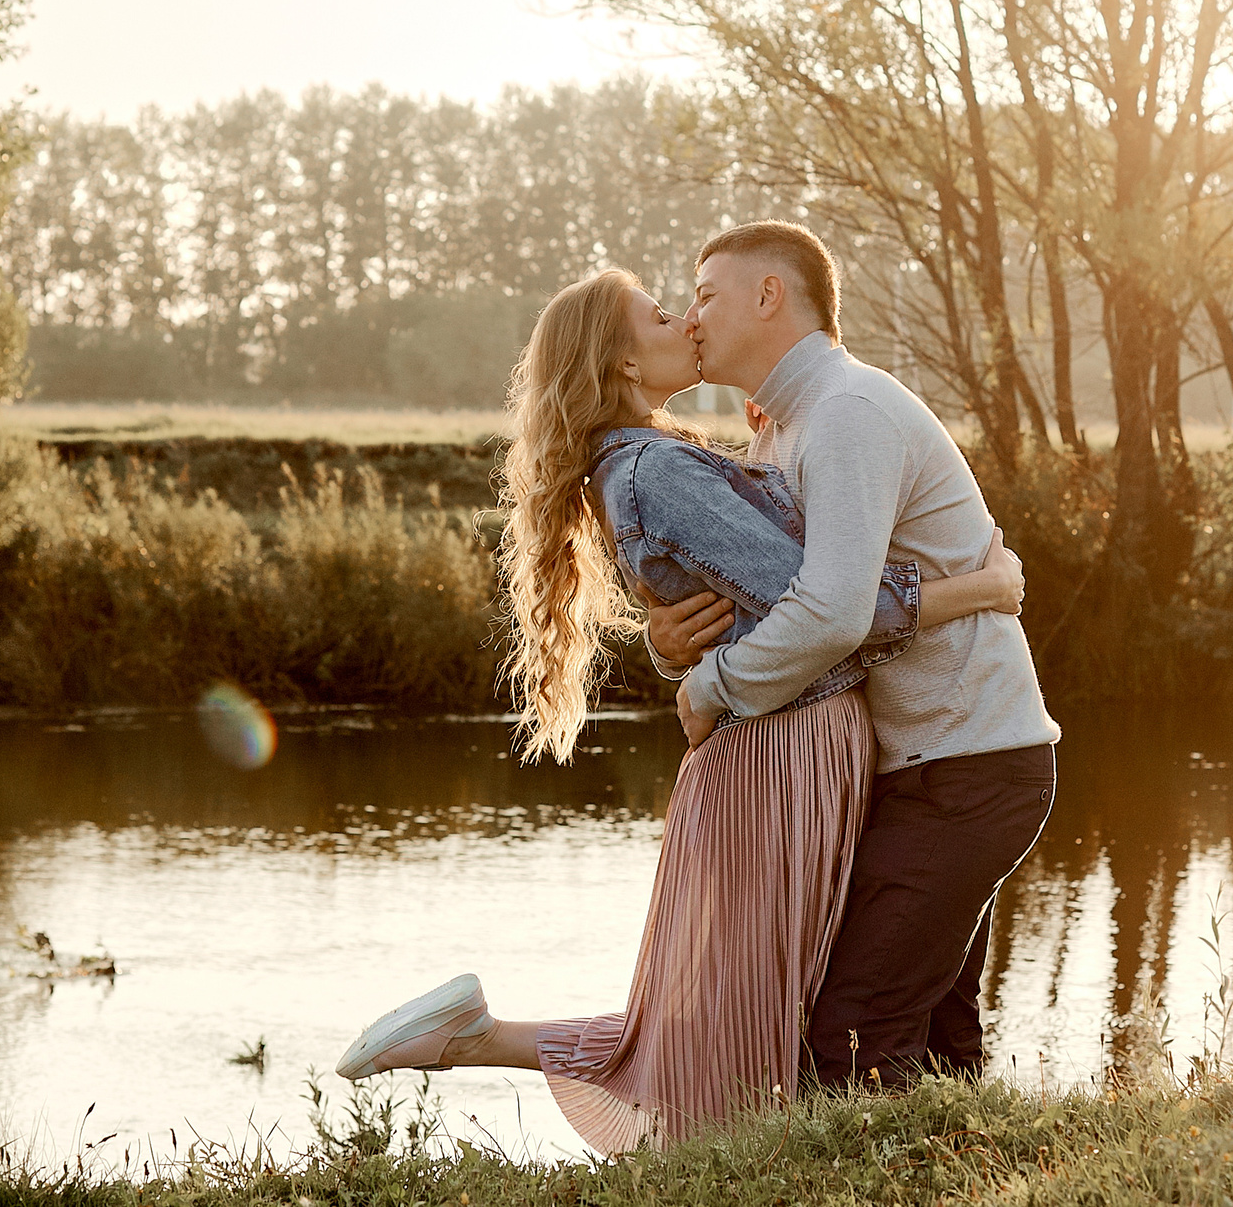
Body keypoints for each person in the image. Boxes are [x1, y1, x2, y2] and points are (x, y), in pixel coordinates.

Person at [331, 268, 1025, 1152]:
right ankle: (485, 1042)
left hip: (788, 744)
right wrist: (976, 587)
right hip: (782, 748)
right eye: (663, 313)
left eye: (695, 300)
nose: (687, 318)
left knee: (737, 1008)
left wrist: (675, 647)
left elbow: (756, 593)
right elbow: (819, 605)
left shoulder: (665, 457)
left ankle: (481, 1037)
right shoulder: (656, 468)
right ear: (623, 360)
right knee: (732, 1024)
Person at [654, 221, 1061, 1089]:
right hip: (919, 768)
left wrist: (713, 688)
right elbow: (772, 600)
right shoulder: (786, 427)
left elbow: (832, 612)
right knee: (932, 1044)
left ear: (770, 295)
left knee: (852, 1045)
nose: (692, 317)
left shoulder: (843, 412)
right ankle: (976, 1177)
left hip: (965, 765)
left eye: (705, 295)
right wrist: (668, 642)